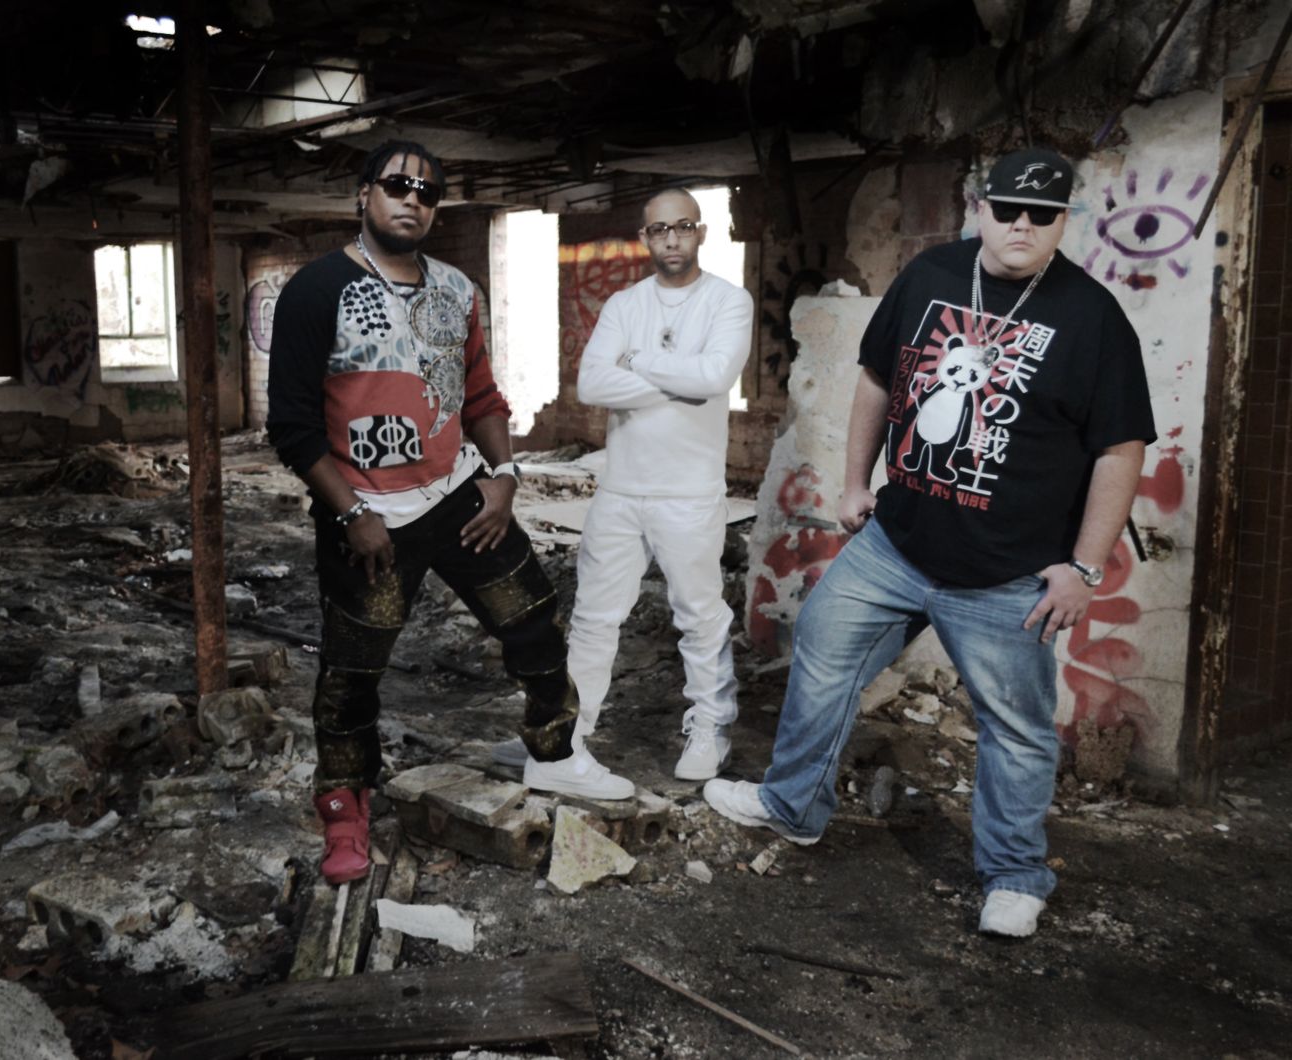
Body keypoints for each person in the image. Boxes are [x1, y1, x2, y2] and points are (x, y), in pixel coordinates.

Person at [704, 148, 1155, 938]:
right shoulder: (931, 276)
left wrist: (1083, 568)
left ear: (1062, 222)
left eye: (1041, 215)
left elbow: (1119, 449)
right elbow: (877, 379)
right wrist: (855, 483)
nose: (1021, 225)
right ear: (980, 208)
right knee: (822, 656)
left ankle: (1014, 875)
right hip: (896, 544)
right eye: (1007, 209)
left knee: (1014, 729)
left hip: (1008, 573)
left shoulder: (1093, 318)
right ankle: (793, 805)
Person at [267, 140, 633, 887]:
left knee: (533, 621)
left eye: (427, 192)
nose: (412, 199)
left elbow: (481, 396)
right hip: (367, 517)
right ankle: (344, 806)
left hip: (460, 497)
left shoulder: (459, 290)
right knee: (351, 671)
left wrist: (504, 477)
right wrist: (350, 514)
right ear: (364, 194)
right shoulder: (316, 290)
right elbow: (292, 426)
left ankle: (555, 751)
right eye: (397, 185)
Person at [495, 189, 752, 782]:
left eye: (682, 227)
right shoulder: (624, 304)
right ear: (644, 237)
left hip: (689, 492)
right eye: (659, 229)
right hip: (620, 490)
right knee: (593, 617)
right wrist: (681, 380)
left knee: (699, 616)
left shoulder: (727, 301)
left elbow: (715, 376)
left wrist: (635, 363)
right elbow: (591, 385)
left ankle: (710, 729)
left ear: (701, 232)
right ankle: (566, 736)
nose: (671, 239)